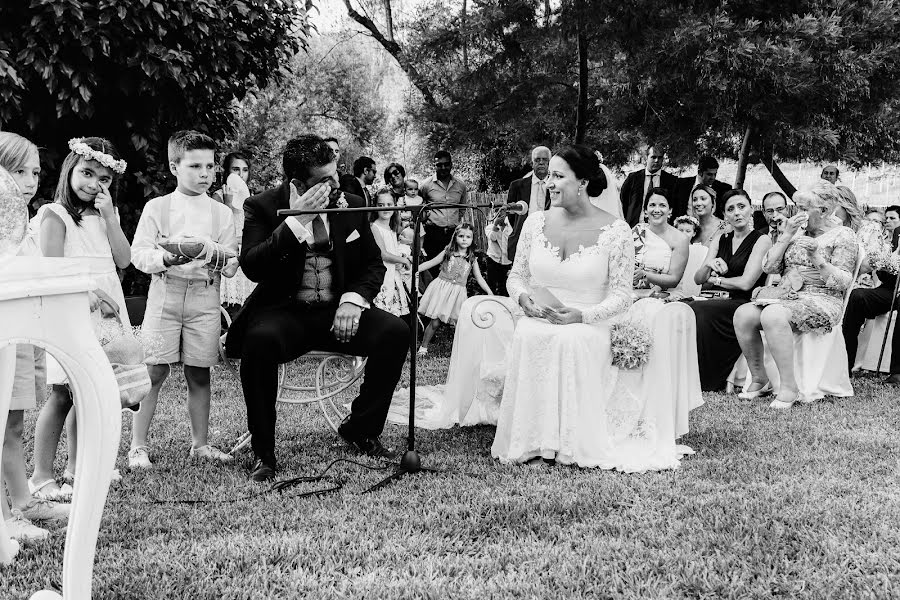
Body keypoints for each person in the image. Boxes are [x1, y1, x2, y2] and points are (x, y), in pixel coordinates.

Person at [490, 144, 697, 470]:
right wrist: (522, 298)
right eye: (550, 176)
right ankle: (530, 439)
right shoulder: (533, 223)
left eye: (558, 176)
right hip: (541, 318)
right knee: (528, 332)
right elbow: (516, 275)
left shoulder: (616, 231)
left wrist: (582, 316)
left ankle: (571, 441)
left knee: (571, 338)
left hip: (592, 324)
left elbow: (622, 296)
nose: (549, 183)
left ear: (583, 183)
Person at [225, 134, 409, 482]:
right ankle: (263, 452)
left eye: (336, 173)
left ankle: (361, 428)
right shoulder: (262, 206)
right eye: (325, 180)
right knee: (259, 342)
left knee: (396, 332)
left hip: (336, 312)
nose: (336, 183)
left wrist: (353, 300)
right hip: (285, 313)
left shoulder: (351, 202)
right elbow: (252, 264)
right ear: (298, 183)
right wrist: (299, 220)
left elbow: (373, 265)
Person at [27, 136, 132, 513]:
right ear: (70, 168)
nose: (93, 184)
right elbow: (51, 270)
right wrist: (87, 297)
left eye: (103, 179)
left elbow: (123, 260)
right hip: (73, 306)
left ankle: (78, 467)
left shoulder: (105, 215)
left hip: (107, 307)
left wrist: (110, 218)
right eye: (87, 173)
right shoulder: (54, 214)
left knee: (92, 391)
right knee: (63, 392)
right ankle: (41, 475)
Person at [129, 130, 238, 469]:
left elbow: (232, 263)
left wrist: (211, 255)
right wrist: (165, 259)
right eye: (195, 166)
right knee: (153, 371)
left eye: (210, 166)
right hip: (165, 292)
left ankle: (200, 445)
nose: (205, 174)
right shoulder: (157, 207)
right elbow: (139, 254)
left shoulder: (222, 213)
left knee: (199, 372)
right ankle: (137, 446)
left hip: (205, 296)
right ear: (174, 167)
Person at [734, 182, 859, 408]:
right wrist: (786, 235)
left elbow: (843, 281)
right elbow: (769, 267)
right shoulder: (794, 232)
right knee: (743, 314)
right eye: (797, 207)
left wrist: (817, 259)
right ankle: (760, 379)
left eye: (804, 209)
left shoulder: (843, 234)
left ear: (823, 210)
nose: (797, 214)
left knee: (772, 315)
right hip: (787, 294)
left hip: (823, 298)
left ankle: (789, 388)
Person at [0, 132, 62, 544]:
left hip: (21, 334)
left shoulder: (28, 224)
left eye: (35, 172)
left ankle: (22, 500)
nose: (28, 180)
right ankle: (4, 518)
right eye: (18, 170)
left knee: (15, 421)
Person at [688, 190, 771, 391]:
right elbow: (698, 279)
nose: (737, 213)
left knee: (700, 311)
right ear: (725, 214)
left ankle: (706, 379)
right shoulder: (721, 239)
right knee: (682, 306)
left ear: (751, 209)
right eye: (731, 209)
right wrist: (710, 266)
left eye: (742, 207)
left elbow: (745, 284)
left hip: (743, 303)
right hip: (713, 297)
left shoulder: (761, 240)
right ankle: (682, 371)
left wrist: (716, 279)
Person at [416, 222, 492, 355]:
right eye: (461, 236)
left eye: (468, 237)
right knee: (435, 322)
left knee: (460, 323)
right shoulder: (448, 252)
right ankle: (423, 347)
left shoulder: (472, 258)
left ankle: (461, 351)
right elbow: (431, 262)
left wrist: (489, 292)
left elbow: (479, 278)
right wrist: (415, 270)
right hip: (442, 289)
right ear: (455, 237)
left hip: (458, 293)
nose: (464, 239)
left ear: (472, 239)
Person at [216, 152, 257, 306]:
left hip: (246, 256)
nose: (240, 175)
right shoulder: (218, 196)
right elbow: (219, 233)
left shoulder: (250, 197)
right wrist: (228, 204)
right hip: (229, 257)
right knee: (229, 308)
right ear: (227, 172)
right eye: (236, 169)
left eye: (245, 170)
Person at [420, 150, 469, 277]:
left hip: (453, 234)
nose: (443, 168)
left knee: (453, 270)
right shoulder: (426, 185)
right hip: (433, 233)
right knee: (434, 271)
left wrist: (454, 221)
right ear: (434, 165)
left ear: (451, 164)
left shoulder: (461, 185)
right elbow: (421, 207)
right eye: (439, 165)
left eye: (446, 164)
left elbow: (462, 208)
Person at [632, 188, 689, 294]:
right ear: (645, 211)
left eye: (662, 205)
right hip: (634, 292)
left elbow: (674, 280)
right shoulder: (637, 232)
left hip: (666, 296)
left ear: (670, 210)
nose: (657, 210)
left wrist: (644, 274)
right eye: (652, 205)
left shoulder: (680, 239)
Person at [506, 146, 551, 263]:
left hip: (549, 239)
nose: (541, 163)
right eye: (537, 160)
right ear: (532, 163)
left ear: (549, 163)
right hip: (523, 239)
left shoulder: (555, 186)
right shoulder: (517, 185)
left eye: (544, 160)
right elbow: (511, 215)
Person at [370, 189, 411, 317]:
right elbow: (383, 254)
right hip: (383, 272)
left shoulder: (391, 227)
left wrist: (400, 258)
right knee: (385, 310)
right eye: (381, 205)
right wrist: (403, 260)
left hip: (393, 271)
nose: (385, 208)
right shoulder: (374, 227)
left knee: (396, 311)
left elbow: (393, 248)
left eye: (389, 204)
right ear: (375, 207)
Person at [619, 144, 677, 227]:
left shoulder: (671, 181)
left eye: (660, 158)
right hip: (635, 226)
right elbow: (623, 202)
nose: (657, 160)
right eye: (653, 157)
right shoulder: (633, 178)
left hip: (661, 229)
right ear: (646, 158)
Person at [485, 207, 513, 296]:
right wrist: (496, 226)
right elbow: (492, 237)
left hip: (506, 261)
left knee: (505, 287)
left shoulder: (510, 228)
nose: (500, 216)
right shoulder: (489, 227)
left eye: (502, 214)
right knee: (491, 284)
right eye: (497, 214)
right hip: (493, 259)